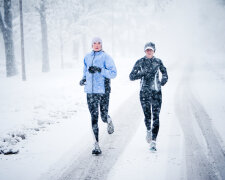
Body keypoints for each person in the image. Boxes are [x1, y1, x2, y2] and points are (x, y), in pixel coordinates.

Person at [79, 37, 117, 155]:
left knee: (103, 116)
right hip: (90, 92)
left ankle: (108, 120)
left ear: (101, 45)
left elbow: (113, 73)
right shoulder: (87, 57)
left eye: (99, 43)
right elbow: (85, 71)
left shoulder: (106, 57)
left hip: (103, 90)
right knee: (94, 117)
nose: (96, 45)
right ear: (91, 45)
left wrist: (100, 70)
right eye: (94, 43)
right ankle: (96, 144)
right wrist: (83, 79)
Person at [129, 42, 168, 151]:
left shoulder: (158, 61)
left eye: (151, 50)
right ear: (145, 51)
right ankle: (148, 130)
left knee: (156, 116)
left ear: (154, 51)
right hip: (144, 93)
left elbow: (165, 73)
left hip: (156, 92)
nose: (149, 51)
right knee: (148, 116)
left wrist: (163, 81)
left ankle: (154, 141)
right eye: (147, 50)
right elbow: (131, 76)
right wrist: (141, 73)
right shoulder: (140, 62)